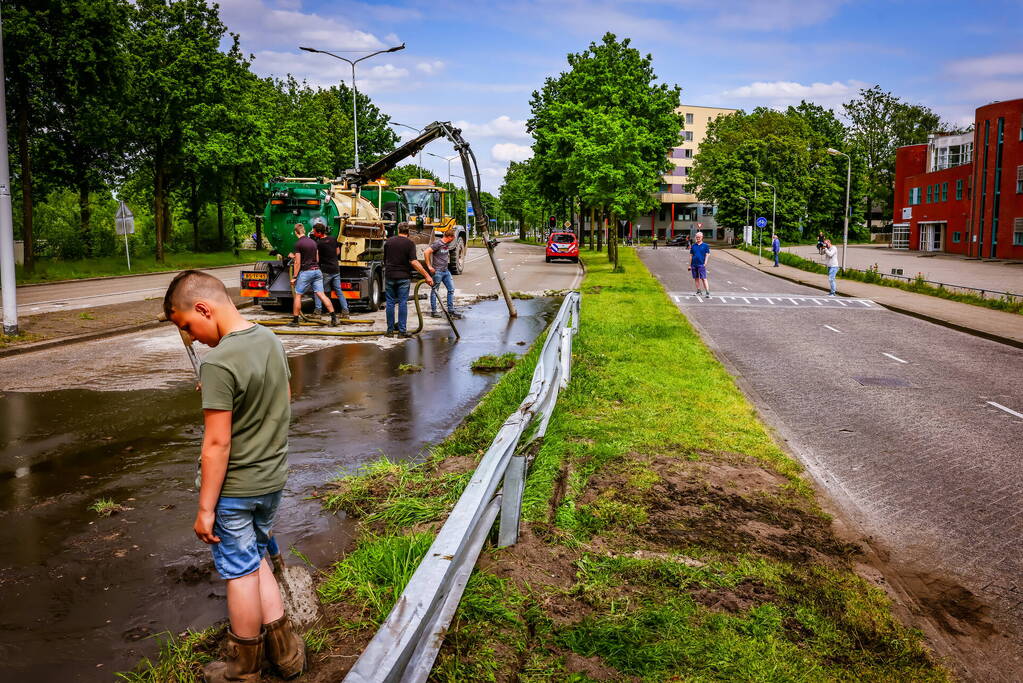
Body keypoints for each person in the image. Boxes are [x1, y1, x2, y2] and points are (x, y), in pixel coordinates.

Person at [163, 270, 305, 683]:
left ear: (203, 309)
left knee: (240, 573)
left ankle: (243, 669)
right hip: (271, 480)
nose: (191, 338)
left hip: (235, 491)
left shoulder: (218, 362)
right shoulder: (269, 339)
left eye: (188, 326)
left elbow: (216, 445)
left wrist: (205, 509)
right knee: (256, 559)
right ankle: (287, 653)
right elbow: (282, 396)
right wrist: (224, 391)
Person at [383, 224, 433, 337]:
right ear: (408, 232)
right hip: (403, 277)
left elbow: (385, 260)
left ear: (398, 230)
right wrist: (427, 275)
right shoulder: (410, 244)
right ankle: (402, 332)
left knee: (390, 303)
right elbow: (414, 262)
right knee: (402, 303)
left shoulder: (389, 242)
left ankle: (390, 331)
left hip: (390, 276)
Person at [289, 223, 336, 326]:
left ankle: (295, 321)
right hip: (317, 271)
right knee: (322, 295)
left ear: (296, 232)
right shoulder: (313, 242)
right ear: (304, 231)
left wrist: (295, 277)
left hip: (306, 272)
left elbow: (297, 262)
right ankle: (334, 318)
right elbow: (317, 259)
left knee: (298, 295)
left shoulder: (298, 244)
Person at [311, 219, 350, 320]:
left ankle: (317, 312)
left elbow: (317, 258)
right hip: (336, 269)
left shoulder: (318, 243)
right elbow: (337, 252)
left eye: (314, 231)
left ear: (319, 233)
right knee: (338, 291)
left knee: (318, 291)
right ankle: (345, 312)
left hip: (326, 271)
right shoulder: (333, 239)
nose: (313, 233)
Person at [425, 228, 456, 318]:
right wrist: (429, 266)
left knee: (451, 289)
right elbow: (426, 252)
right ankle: (434, 311)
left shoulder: (447, 244)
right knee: (435, 291)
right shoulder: (438, 243)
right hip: (437, 271)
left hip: (446, 271)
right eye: (453, 237)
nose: (453, 239)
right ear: (449, 237)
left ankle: (451, 310)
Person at [689, 231, 711, 297]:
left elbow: (707, 254)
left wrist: (705, 263)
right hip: (694, 264)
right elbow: (691, 255)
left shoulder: (705, 245)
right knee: (696, 278)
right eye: (697, 237)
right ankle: (698, 291)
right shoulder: (693, 246)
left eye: (699, 237)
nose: (698, 238)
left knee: (703, 278)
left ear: (702, 237)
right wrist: (689, 265)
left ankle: (707, 292)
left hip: (701, 264)